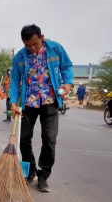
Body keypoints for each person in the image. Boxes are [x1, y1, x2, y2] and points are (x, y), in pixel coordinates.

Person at [10, 24, 73, 193]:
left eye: (35, 44)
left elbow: (67, 66)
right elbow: (15, 81)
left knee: (49, 139)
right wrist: (13, 102)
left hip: (50, 101)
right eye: (27, 45)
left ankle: (43, 175)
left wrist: (67, 84)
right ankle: (29, 172)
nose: (32, 48)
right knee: (24, 139)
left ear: (42, 37)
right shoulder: (19, 57)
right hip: (28, 103)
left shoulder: (55, 49)